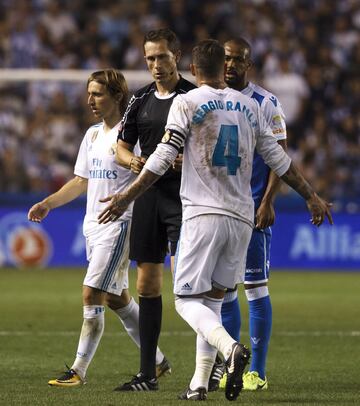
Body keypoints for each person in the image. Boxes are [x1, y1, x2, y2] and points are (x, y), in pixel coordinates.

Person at [97, 40, 333, 401]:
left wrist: (126, 196)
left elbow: (161, 158)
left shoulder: (186, 102)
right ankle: (199, 384)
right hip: (242, 220)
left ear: (193, 70)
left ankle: (230, 349)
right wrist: (311, 196)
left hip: (204, 214)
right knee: (212, 301)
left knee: (185, 301)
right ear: (224, 68)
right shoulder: (250, 107)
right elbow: (280, 161)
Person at [27, 69, 167, 387]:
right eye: (89, 93)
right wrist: (48, 203)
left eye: (98, 94)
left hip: (120, 224)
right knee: (117, 298)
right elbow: (80, 181)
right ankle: (157, 361)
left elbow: (148, 176)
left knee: (92, 293)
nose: (90, 100)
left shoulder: (133, 136)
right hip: (94, 227)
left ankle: (78, 370)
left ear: (117, 96)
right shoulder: (92, 135)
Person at [113, 28, 196, 391]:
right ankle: (148, 373)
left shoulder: (196, 96)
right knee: (146, 285)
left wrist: (187, 161)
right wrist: (132, 162)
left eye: (162, 56)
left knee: (190, 286)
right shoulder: (141, 99)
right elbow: (120, 146)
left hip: (185, 198)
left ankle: (208, 368)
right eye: (150, 58)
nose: (156, 65)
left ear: (176, 56)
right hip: (148, 198)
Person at [208, 37, 288, 392]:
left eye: (238, 60)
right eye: (226, 58)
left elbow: (279, 157)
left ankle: (258, 371)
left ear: (248, 65)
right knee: (224, 292)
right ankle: (232, 365)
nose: (231, 65)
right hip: (218, 212)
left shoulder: (266, 102)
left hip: (252, 211)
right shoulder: (211, 101)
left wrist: (267, 201)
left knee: (255, 289)